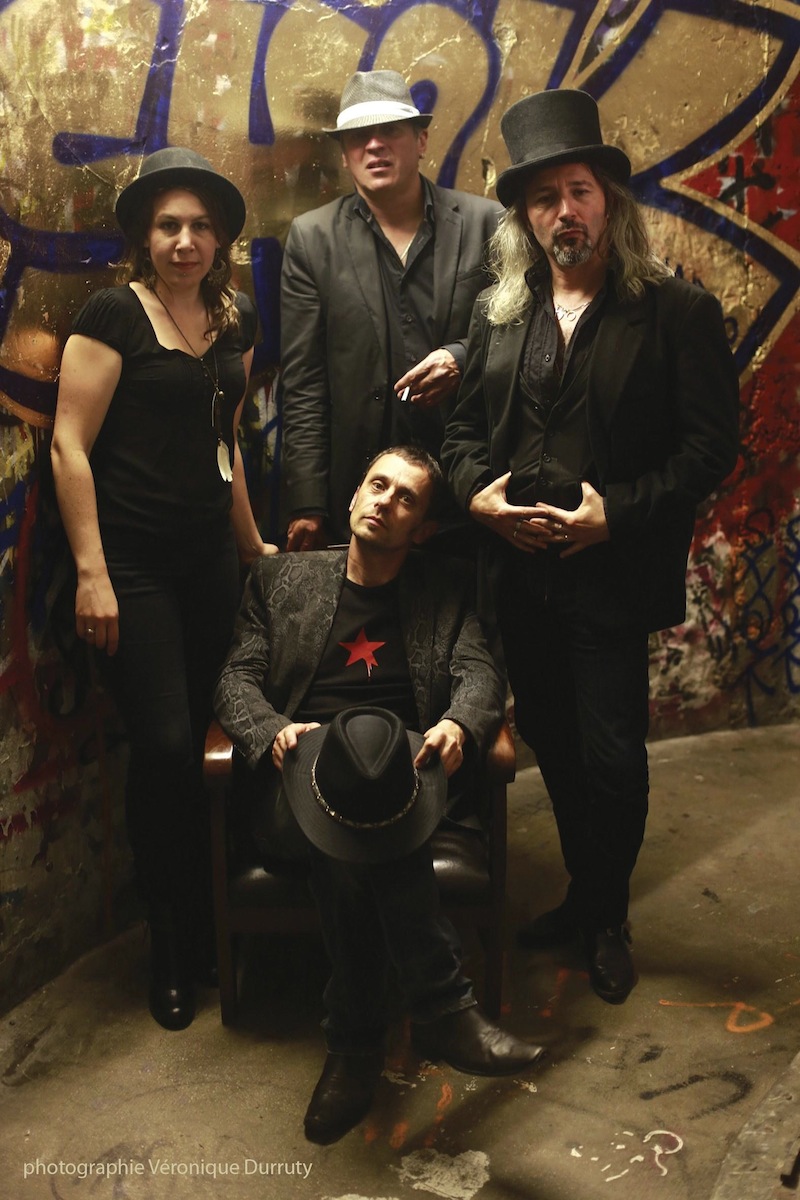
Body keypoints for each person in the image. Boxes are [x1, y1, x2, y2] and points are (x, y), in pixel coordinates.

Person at [442, 90, 740, 1004]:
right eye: (545, 199)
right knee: (555, 745)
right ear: (525, 219)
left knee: (612, 755)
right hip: (518, 575)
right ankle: (585, 892)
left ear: (609, 200)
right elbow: (462, 433)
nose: (564, 212)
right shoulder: (497, 312)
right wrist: (477, 497)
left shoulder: (675, 311)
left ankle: (607, 915)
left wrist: (618, 514)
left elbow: (709, 450)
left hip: (610, 574)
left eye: (579, 191)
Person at [215, 446, 544, 1144]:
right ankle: (442, 1008)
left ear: (422, 529)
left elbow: (481, 675)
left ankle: (354, 1048)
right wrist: (271, 731)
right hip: (295, 783)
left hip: (404, 779)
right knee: (352, 821)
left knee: (363, 814)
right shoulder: (281, 579)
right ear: (354, 495)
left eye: (405, 498)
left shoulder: (445, 587)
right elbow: (235, 678)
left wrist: (460, 724)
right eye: (377, 485)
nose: (384, 501)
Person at [50, 147, 276, 1032]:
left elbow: (229, 443)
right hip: (133, 569)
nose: (186, 241)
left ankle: (224, 923)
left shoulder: (234, 320)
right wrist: (93, 573)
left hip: (208, 562)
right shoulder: (114, 313)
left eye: (201, 227)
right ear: (145, 238)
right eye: (169, 226)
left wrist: (252, 548)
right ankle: (172, 945)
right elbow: (69, 446)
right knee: (168, 749)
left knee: (226, 738)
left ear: (220, 240)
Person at [280, 69, 501, 549]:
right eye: (359, 136)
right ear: (345, 153)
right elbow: (303, 381)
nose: (374, 145)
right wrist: (308, 502)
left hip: (467, 486)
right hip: (361, 494)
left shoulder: (487, 224)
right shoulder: (312, 239)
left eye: (390, 131)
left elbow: (524, 335)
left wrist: (462, 358)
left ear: (421, 141)